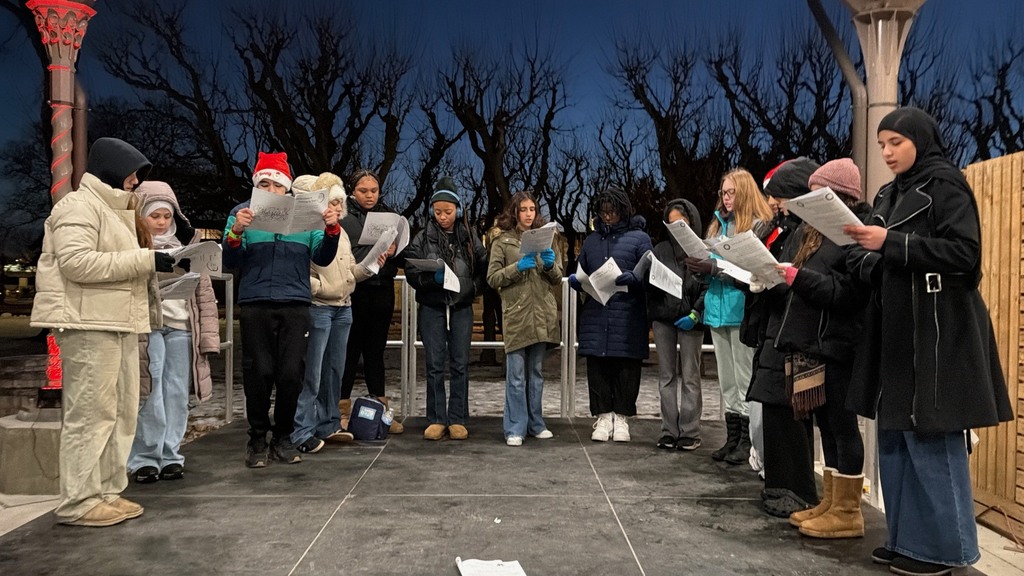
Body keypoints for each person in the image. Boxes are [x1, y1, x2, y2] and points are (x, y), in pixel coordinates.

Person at [843, 107, 1012, 575]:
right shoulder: (886, 193)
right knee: (897, 439)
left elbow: (966, 254)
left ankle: (944, 549)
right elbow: (866, 255)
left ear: (919, 138)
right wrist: (867, 252)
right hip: (896, 332)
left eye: (895, 141)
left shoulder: (945, 185)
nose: (887, 152)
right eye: (881, 144)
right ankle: (907, 541)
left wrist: (892, 245)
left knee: (932, 438)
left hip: (937, 330)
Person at [31, 137, 165, 526]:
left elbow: (114, 263)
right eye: (133, 174)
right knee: (90, 414)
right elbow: (77, 263)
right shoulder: (77, 206)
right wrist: (145, 259)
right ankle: (79, 500)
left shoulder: (112, 210)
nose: (135, 183)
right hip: (88, 324)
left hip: (117, 322)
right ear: (112, 167)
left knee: (120, 412)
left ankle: (106, 489)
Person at [769, 159, 870, 537]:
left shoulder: (852, 234)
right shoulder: (818, 233)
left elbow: (847, 294)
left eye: (816, 193)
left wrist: (799, 279)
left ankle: (849, 511)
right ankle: (830, 500)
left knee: (843, 427)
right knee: (825, 423)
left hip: (839, 343)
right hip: (814, 341)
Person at [222, 151, 340, 467]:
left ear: (286, 189)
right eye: (263, 184)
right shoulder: (240, 212)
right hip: (255, 302)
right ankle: (257, 439)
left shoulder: (306, 214)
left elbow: (323, 258)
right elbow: (229, 262)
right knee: (258, 372)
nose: (270, 191)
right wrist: (236, 234)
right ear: (255, 186)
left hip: (296, 303)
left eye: (276, 186)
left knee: (291, 374)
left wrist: (331, 230)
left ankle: (284, 438)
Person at [128, 181, 220, 484]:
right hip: (149, 327)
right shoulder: (133, 248)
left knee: (177, 394)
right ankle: (144, 458)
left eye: (166, 216)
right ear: (140, 216)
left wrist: (209, 337)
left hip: (182, 327)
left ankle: (170, 455)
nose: (161, 222)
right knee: (151, 393)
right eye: (154, 216)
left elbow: (205, 296)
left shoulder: (185, 247)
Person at [686, 168, 773, 463]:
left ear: (745, 192)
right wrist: (700, 268)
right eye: (723, 192)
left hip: (741, 310)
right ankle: (733, 437)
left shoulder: (758, 227)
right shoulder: (716, 227)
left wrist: (716, 268)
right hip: (717, 309)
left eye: (731, 192)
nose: (726, 198)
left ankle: (748, 442)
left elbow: (753, 274)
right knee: (727, 381)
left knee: (743, 376)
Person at [289, 173, 375, 454]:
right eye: (332, 202)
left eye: (340, 203)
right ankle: (302, 428)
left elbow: (349, 271)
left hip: (344, 308)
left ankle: (329, 423)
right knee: (312, 371)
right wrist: (321, 288)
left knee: (334, 371)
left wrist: (371, 266)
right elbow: (300, 270)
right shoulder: (309, 229)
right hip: (320, 308)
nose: (337, 208)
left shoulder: (343, 233)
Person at [405, 176, 487, 440]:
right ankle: (437, 418)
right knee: (434, 363)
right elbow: (411, 271)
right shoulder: (422, 237)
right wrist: (431, 280)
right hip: (432, 306)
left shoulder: (470, 237)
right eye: (438, 212)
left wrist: (470, 289)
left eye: (448, 211)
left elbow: (484, 270)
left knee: (460, 363)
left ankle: (458, 419)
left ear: (458, 210)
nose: (443, 217)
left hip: (461, 306)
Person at [569, 189, 652, 443]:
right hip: (596, 311)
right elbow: (582, 267)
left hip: (627, 314)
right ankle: (603, 417)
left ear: (623, 210)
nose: (608, 217)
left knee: (626, 367)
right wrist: (577, 280)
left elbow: (651, 272)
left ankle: (623, 418)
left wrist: (636, 278)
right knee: (598, 367)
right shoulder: (592, 240)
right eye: (603, 212)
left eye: (612, 212)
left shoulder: (639, 238)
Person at [486, 191, 561, 446]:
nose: (529, 214)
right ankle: (515, 427)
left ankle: (536, 423)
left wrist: (550, 265)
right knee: (516, 375)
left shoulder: (547, 238)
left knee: (536, 373)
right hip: (517, 313)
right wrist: (516, 268)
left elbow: (556, 277)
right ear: (515, 211)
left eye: (532, 209)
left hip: (541, 313)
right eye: (524, 209)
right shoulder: (502, 241)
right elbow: (493, 278)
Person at [339, 169, 406, 434]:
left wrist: (393, 250)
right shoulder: (344, 216)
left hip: (383, 290)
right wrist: (371, 251)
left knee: (376, 352)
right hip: (356, 289)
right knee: (350, 352)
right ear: (352, 191)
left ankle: (380, 414)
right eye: (363, 191)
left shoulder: (390, 216)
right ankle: (341, 412)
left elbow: (403, 257)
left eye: (374, 190)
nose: (369, 195)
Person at [647, 198, 707, 451]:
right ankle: (669, 430)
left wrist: (695, 313)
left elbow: (707, 286)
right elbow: (650, 285)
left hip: (691, 320)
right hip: (664, 320)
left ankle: (690, 431)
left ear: (691, 222)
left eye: (681, 222)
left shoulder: (702, 249)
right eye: (671, 224)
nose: (676, 228)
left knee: (691, 376)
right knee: (666, 376)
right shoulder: (660, 249)